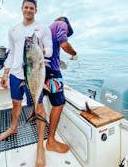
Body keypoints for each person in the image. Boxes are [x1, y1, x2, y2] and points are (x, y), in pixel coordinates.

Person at [0, 0, 52, 167]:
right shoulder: (13, 29)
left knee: (40, 107)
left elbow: (49, 51)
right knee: (16, 103)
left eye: (32, 8)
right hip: (16, 73)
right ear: (22, 8)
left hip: (35, 73)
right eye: (26, 7)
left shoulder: (42, 29)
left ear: (36, 10)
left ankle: (40, 147)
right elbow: (12, 53)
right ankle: (13, 127)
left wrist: (39, 51)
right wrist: (5, 74)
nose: (29, 10)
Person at [44, 16, 77, 153]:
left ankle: (34, 115)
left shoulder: (48, 28)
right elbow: (63, 43)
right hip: (52, 71)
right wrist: (74, 54)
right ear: (67, 25)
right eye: (68, 32)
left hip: (42, 68)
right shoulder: (61, 23)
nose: (67, 33)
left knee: (42, 96)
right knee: (58, 104)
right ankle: (51, 140)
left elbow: (52, 47)